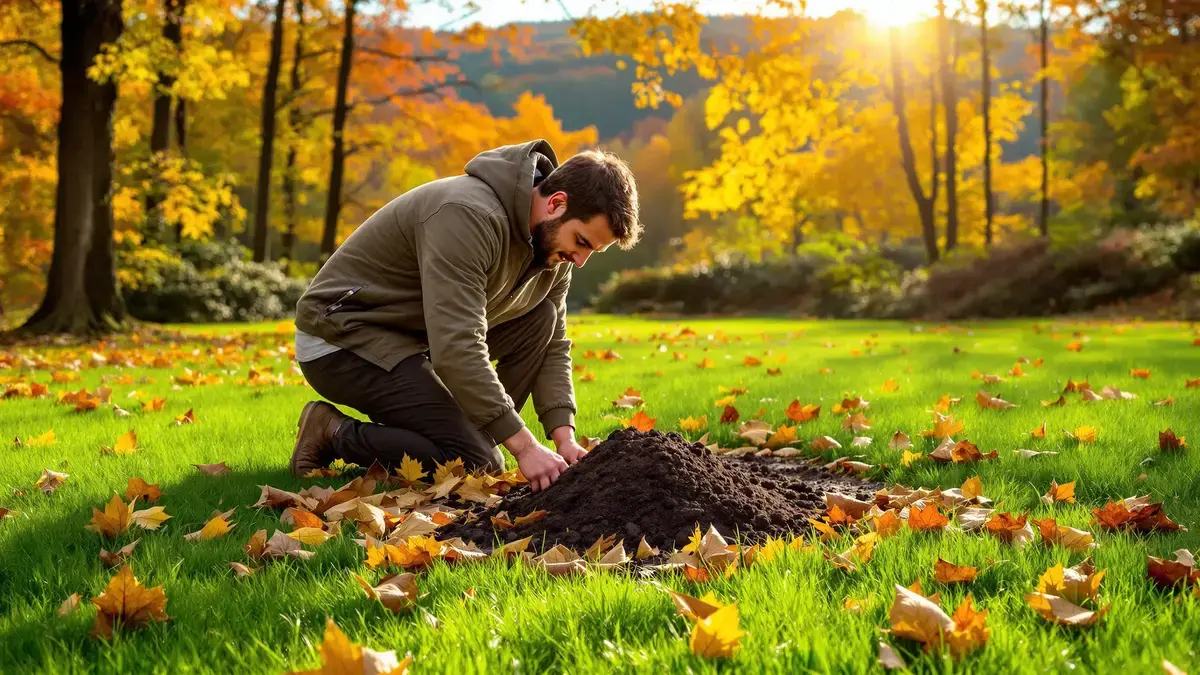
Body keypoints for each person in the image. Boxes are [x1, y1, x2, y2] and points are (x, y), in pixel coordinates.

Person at [290, 139, 641, 492]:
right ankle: (331, 431)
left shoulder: (551, 250)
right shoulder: (467, 215)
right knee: (478, 462)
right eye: (581, 242)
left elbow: (553, 344)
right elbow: (457, 347)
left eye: (592, 251)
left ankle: (472, 436)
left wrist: (564, 436)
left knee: (543, 317)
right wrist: (526, 446)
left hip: (413, 340)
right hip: (343, 337)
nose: (580, 260)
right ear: (556, 203)